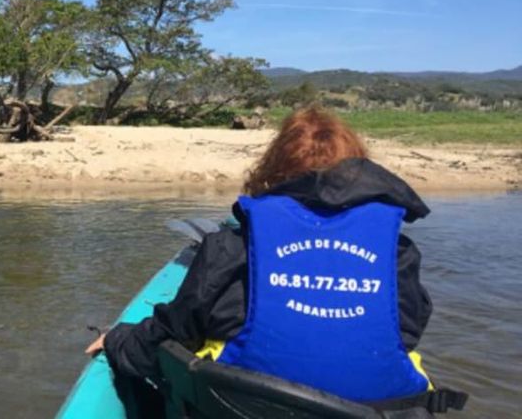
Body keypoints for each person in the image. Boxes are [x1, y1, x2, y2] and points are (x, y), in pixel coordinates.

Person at [85, 106, 438, 405]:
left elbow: (168, 334)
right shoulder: (399, 255)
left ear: (271, 173)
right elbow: (407, 332)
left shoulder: (229, 247)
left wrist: (117, 338)